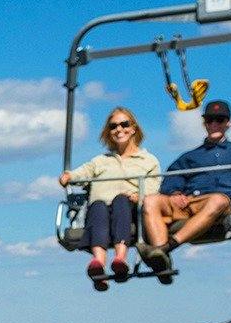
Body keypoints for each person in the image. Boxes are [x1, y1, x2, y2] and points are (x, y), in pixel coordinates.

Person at [140, 99, 231, 272]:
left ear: (228, 123)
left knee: (218, 200)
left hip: (218, 205)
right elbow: (172, 179)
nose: (214, 124)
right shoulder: (190, 156)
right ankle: (162, 262)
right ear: (204, 123)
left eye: (219, 120)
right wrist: (175, 193)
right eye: (210, 120)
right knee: (150, 201)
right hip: (190, 203)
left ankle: (166, 248)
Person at [59, 107, 159, 286]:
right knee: (97, 206)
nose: (119, 129)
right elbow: (83, 173)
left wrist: (139, 196)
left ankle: (120, 257)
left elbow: (153, 188)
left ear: (133, 128)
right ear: (109, 132)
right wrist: (69, 176)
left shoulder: (148, 160)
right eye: (113, 126)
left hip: (129, 206)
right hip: (101, 206)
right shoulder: (101, 161)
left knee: (120, 201)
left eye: (124, 124)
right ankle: (99, 262)